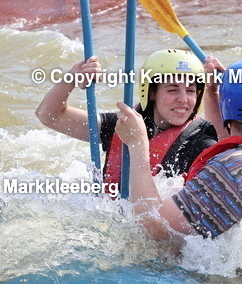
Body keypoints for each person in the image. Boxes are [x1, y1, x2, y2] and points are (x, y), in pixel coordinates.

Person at [113, 59, 242, 241]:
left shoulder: (232, 168)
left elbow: (153, 228)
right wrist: (212, 94)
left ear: (228, 108)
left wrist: (137, 144)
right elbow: (232, 146)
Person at [35, 49, 217, 195]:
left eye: (191, 90)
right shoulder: (123, 125)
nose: (184, 100)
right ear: (152, 92)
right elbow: (49, 115)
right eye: (172, 90)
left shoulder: (202, 143)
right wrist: (73, 76)